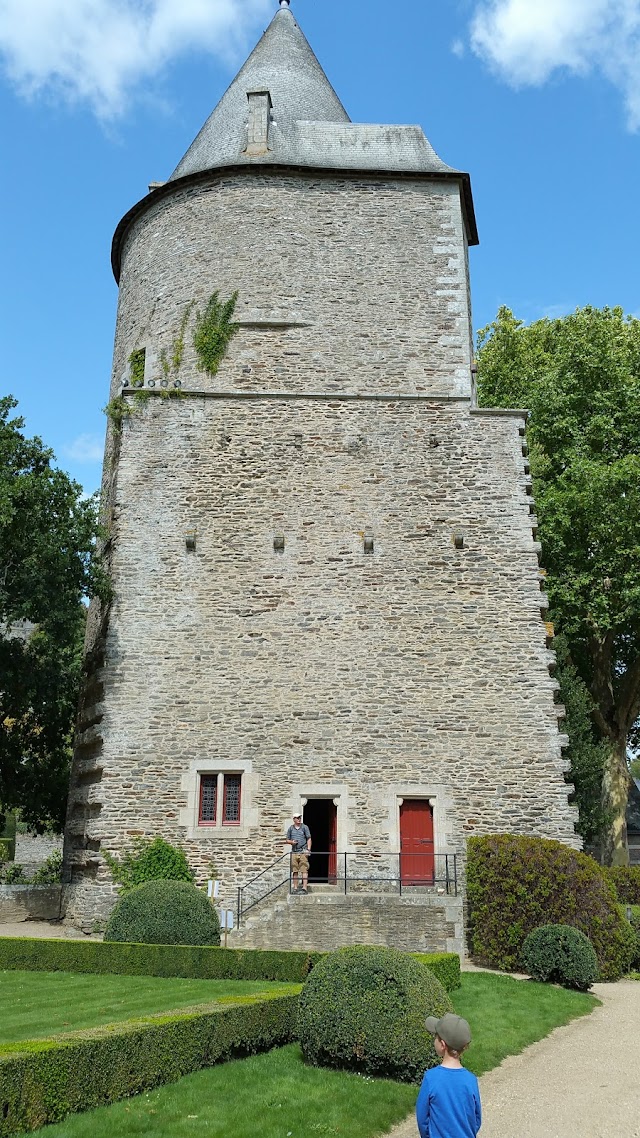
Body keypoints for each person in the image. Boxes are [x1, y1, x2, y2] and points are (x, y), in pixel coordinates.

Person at [415, 1013, 481, 1138]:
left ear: (442, 1045)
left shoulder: (431, 1078)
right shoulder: (471, 1080)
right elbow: (476, 1119)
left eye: (436, 1036)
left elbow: (422, 1118)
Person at [285, 811, 311, 894]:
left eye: (300, 817)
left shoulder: (304, 827)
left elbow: (309, 838)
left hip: (303, 851)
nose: (299, 819)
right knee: (295, 870)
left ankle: (304, 888)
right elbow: (287, 840)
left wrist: (308, 849)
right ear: (294, 819)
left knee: (304, 870)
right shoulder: (291, 828)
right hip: (294, 852)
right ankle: (295, 888)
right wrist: (291, 842)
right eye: (297, 818)